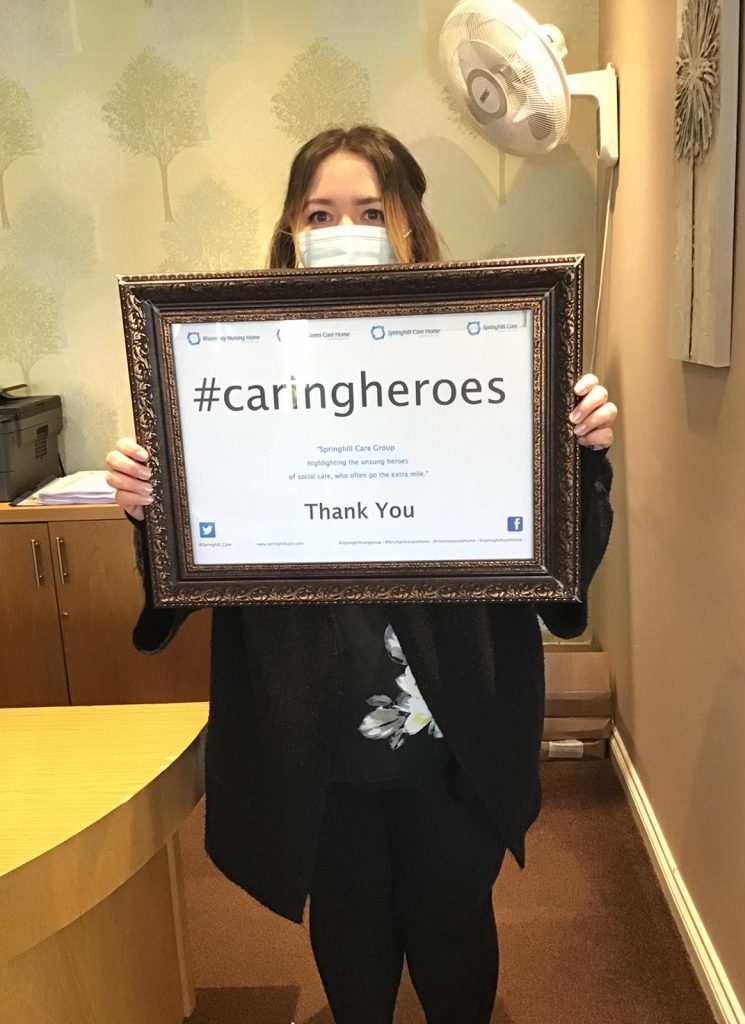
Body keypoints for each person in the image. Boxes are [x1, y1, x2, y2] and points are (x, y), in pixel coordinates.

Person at [106, 125, 617, 1024]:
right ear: (289, 232)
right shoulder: (229, 371)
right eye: (320, 214)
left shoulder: (492, 358)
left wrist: (583, 461)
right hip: (313, 739)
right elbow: (186, 577)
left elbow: (560, 577)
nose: (344, 230)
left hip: (451, 729)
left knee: (455, 929)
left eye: (370, 212)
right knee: (350, 935)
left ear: (410, 224)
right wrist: (156, 506)